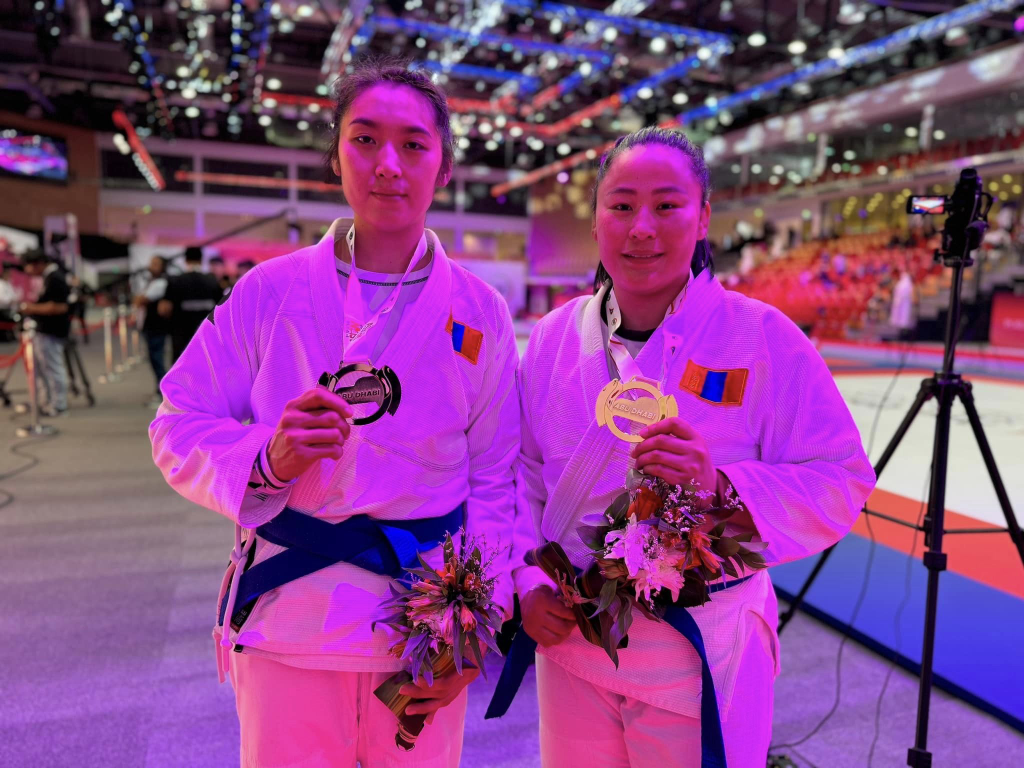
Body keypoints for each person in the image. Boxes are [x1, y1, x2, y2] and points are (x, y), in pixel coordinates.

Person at [149, 60, 519, 768]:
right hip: (290, 618)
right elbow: (176, 420)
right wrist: (268, 458)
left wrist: (478, 622)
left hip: (424, 624)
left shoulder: (481, 311)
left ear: (444, 168)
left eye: (414, 144)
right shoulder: (270, 291)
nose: (389, 164)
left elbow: (496, 478)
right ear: (336, 155)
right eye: (365, 139)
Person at [507, 128, 875, 767]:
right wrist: (528, 578)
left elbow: (842, 476)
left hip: (700, 647)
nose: (641, 228)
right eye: (621, 205)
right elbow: (523, 475)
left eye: (667, 205)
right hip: (573, 640)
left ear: (703, 217)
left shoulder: (761, 337)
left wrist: (719, 487)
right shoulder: (552, 338)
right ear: (595, 219)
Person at [19, 250, 71, 416]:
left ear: (38, 263)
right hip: (45, 330)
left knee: (53, 368)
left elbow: (60, 306)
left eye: (28, 266)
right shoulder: (50, 277)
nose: (27, 270)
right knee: (41, 370)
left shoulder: (55, 278)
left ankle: (58, 404)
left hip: (51, 331)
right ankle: (44, 401)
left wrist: (31, 308)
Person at [159, 246, 224, 362]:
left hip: (181, 336)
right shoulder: (213, 281)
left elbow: (164, 309)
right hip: (206, 336)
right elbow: (221, 308)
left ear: (186, 260)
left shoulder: (176, 281)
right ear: (201, 260)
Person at [134, 255, 171, 405]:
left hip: (156, 328)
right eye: (151, 263)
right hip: (150, 327)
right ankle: (161, 391)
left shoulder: (160, 283)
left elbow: (140, 300)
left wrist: (140, 298)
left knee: (157, 360)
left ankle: (163, 393)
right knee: (155, 360)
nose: (151, 266)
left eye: (155, 264)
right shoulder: (152, 281)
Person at [889, 268, 916, 338]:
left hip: (904, 303)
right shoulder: (901, 283)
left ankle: (903, 335)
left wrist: (899, 299)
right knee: (899, 319)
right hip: (899, 302)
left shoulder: (906, 283)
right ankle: (899, 333)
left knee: (903, 318)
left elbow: (907, 293)